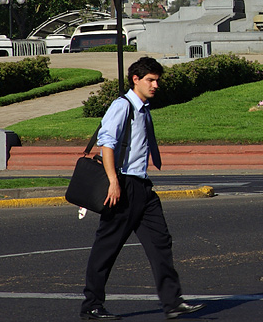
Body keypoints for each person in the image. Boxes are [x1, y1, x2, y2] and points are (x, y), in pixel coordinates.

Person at [80, 57, 205, 321]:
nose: (155, 84)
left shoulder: (142, 108)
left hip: (142, 187)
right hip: (123, 184)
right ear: (135, 79)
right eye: (150, 80)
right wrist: (114, 182)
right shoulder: (122, 106)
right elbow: (107, 143)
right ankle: (91, 304)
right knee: (107, 247)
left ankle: (172, 302)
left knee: (160, 242)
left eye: (157, 80)